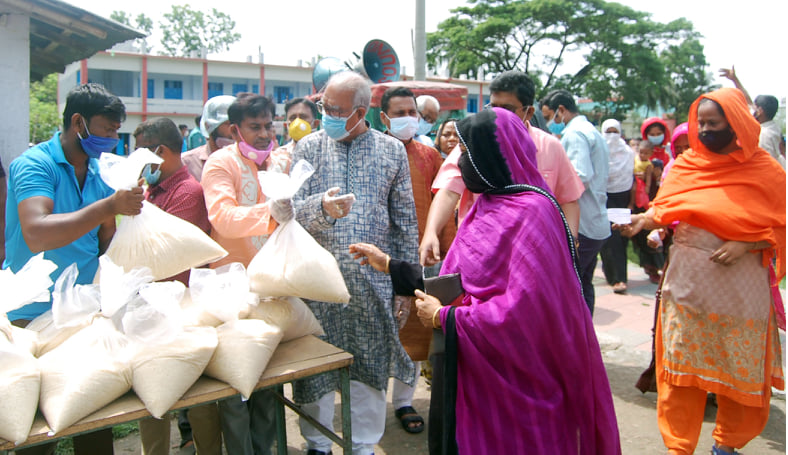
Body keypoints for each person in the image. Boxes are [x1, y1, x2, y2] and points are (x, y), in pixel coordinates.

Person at [353, 108, 621, 454]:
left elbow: (526, 310)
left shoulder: (534, 213)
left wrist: (444, 317)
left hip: (518, 378)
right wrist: (389, 265)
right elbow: (455, 279)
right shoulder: (487, 205)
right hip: (472, 364)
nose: (460, 164)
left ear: (492, 155)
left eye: (465, 153)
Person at [617, 87, 785, 455]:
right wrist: (641, 221)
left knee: (741, 368)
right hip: (688, 283)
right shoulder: (689, 165)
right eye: (701, 123)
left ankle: (726, 445)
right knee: (680, 370)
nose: (705, 130)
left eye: (714, 123)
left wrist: (747, 243)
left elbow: (781, 226)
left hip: (741, 289)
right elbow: (664, 210)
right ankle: (679, 447)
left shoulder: (766, 171)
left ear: (737, 122)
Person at [4, 83, 144, 455]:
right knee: (34, 433)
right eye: (107, 129)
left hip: (82, 317)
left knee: (93, 423)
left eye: (117, 131)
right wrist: (108, 206)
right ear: (78, 122)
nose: (113, 139)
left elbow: (106, 243)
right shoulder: (34, 164)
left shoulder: (101, 173)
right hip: (30, 318)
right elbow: (36, 233)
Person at [291, 71, 419, 455]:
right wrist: (321, 209)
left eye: (333, 108)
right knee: (315, 368)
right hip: (316, 286)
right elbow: (287, 213)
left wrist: (406, 288)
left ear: (359, 111)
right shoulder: (307, 149)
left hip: (372, 286)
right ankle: (317, 443)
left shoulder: (391, 150)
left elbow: (406, 223)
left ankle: (363, 446)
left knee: (370, 367)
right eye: (323, 105)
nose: (324, 113)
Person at [201, 93, 292, 455]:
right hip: (230, 288)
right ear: (234, 129)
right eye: (254, 127)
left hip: (274, 285)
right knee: (235, 382)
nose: (263, 134)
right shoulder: (220, 164)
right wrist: (271, 213)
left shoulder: (282, 160)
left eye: (269, 125)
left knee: (269, 380)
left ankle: (265, 448)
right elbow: (221, 216)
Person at [420, 71, 584, 267]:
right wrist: (431, 231)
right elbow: (449, 190)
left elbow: (569, 200)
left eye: (506, 109)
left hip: (532, 255)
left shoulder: (550, 147)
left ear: (528, 112)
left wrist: (570, 241)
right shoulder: (475, 143)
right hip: (481, 250)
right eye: (493, 107)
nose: (497, 116)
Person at [132, 118, 222, 455]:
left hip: (182, 308)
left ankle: (208, 450)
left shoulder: (188, 192)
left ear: (161, 152)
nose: (137, 159)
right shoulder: (149, 190)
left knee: (196, 394)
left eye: (141, 152)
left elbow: (162, 252)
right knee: (151, 391)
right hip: (150, 308)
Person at [379, 85, 456, 435]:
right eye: (399, 113)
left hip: (418, 258)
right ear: (383, 117)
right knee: (377, 328)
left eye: (413, 113)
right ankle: (370, 399)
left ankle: (403, 401)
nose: (408, 119)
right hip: (377, 257)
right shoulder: (370, 151)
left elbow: (444, 209)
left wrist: (446, 250)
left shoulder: (430, 156)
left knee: (414, 330)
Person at [543, 89, 610, 314]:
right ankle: (585, 337)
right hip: (595, 220)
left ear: (560, 110)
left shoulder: (575, 134)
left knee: (570, 287)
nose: (549, 123)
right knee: (584, 285)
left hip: (583, 223)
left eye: (548, 116)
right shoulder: (591, 130)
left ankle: (575, 340)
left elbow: (580, 176)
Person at [719, 66, 786, 168]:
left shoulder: (763, 135)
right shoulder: (771, 126)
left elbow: (767, 164)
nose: (751, 108)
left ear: (759, 111)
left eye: (755, 106)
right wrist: (735, 80)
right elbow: (748, 101)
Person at [599, 119, 634, 294]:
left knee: (621, 238)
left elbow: (633, 177)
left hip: (623, 199)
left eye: (615, 131)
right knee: (609, 238)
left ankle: (617, 274)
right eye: (608, 131)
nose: (612, 136)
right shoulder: (598, 151)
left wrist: (631, 202)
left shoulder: (628, 152)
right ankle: (617, 278)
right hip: (604, 198)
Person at [182, 96, 236, 181]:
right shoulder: (187, 163)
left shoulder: (246, 162)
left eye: (238, 125)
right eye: (228, 123)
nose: (234, 130)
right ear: (209, 126)